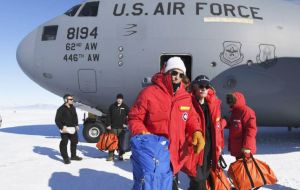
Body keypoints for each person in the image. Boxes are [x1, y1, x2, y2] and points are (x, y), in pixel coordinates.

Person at [128, 56, 205, 190]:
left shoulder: (185, 97)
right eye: (174, 72)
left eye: (181, 74)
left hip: (175, 154)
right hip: (154, 153)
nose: (177, 77)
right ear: (166, 72)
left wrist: (196, 131)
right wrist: (142, 133)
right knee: (151, 185)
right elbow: (134, 118)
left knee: (170, 184)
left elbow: (191, 118)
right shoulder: (149, 93)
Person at [183, 75, 227, 190]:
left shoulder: (213, 105)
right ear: (195, 87)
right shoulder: (188, 103)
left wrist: (219, 146)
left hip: (209, 150)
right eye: (201, 86)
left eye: (206, 86)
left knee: (202, 181)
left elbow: (217, 128)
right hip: (194, 150)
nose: (203, 89)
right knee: (198, 180)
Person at [226, 91, 257, 159]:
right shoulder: (235, 112)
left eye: (232, 100)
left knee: (245, 168)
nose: (231, 103)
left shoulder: (247, 112)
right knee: (240, 167)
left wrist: (247, 147)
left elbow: (251, 130)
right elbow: (234, 126)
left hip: (245, 150)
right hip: (237, 148)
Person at [55, 94, 82, 164]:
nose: (72, 100)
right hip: (65, 129)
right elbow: (57, 120)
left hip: (72, 128)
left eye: (72, 99)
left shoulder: (73, 107)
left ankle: (73, 156)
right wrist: (61, 127)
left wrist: (76, 125)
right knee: (64, 142)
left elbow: (75, 117)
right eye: (70, 99)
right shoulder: (61, 109)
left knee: (74, 141)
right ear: (65, 100)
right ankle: (65, 158)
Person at [106, 93, 130, 161]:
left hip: (121, 128)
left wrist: (126, 124)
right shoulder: (112, 106)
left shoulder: (125, 107)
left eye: (120, 99)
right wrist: (108, 124)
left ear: (122, 100)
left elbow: (130, 115)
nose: (119, 100)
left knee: (121, 142)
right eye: (118, 99)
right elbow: (108, 116)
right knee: (112, 141)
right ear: (116, 99)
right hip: (113, 127)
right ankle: (111, 156)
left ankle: (120, 155)